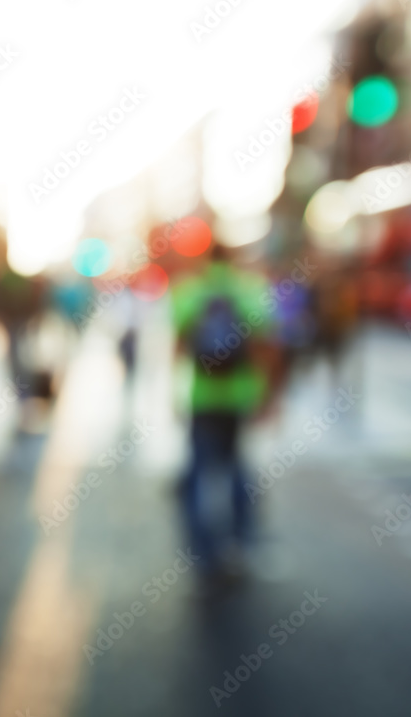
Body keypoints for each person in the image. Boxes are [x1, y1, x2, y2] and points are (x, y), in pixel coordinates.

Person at [170, 242, 278, 585]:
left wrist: (174, 396)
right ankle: (241, 545)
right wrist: (267, 397)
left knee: (198, 476)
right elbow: (267, 347)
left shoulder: (189, 291)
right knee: (238, 470)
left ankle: (204, 556)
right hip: (240, 396)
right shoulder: (249, 290)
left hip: (203, 398)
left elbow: (179, 347)